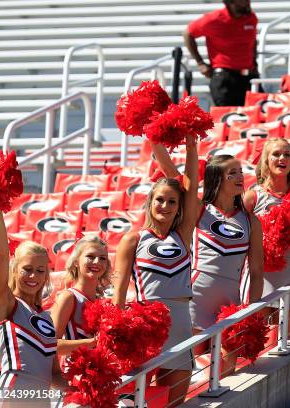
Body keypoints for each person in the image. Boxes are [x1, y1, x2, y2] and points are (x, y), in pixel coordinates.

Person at [151, 139, 264, 376]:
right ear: (217, 179)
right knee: (187, 370)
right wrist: (156, 139)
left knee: (225, 372)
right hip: (196, 299)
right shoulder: (200, 210)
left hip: (230, 303)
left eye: (241, 172)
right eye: (232, 173)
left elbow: (256, 272)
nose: (240, 177)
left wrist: (250, 310)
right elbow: (172, 174)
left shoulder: (251, 221)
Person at [112, 136, 198, 408]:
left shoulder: (183, 235)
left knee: (175, 401)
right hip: (146, 322)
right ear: (150, 203)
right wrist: (118, 327)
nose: (165, 206)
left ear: (178, 207)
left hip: (181, 321)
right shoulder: (134, 239)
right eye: (160, 200)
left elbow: (191, 186)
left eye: (172, 202)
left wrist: (191, 146)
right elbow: (119, 289)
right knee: (139, 395)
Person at [242, 138, 290, 335]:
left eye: (287, 154)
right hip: (260, 276)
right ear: (266, 160)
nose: (282, 158)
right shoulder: (252, 197)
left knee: (287, 343)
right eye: (276, 154)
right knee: (260, 343)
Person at [0, 211, 58, 406]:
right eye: (27, 269)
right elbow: (1, 254)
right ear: (14, 269)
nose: (33, 277)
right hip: (12, 395)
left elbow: (54, 374)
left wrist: (83, 388)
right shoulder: (6, 303)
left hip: (41, 400)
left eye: (40, 271)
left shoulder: (47, 318)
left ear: (46, 275)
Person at [183, 0, 260, 106]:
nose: (248, 3)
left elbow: (253, 41)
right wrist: (200, 63)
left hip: (249, 76)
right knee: (229, 118)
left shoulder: (251, 18)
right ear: (230, 3)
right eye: (243, 0)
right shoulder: (213, 19)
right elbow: (188, 33)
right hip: (225, 79)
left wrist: (254, 61)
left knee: (259, 115)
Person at [50, 236, 110, 346]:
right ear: (76, 262)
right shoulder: (68, 297)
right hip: (71, 363)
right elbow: (50, 344)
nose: (97, 262)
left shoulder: (102, 302)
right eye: (90, 256)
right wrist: (92, 342)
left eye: (103, 258)